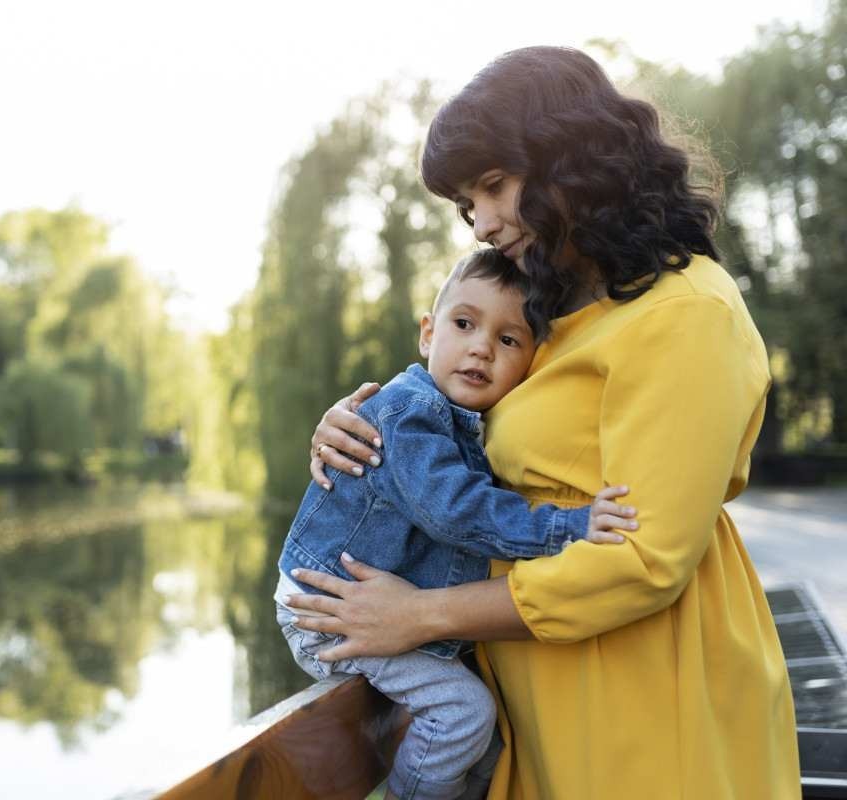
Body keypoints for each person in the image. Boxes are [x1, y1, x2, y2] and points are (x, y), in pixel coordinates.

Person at [283, 46, 801, 799]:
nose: (483, 224)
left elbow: (643, 559)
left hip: (648, 690)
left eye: (494, 186)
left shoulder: (687, 312)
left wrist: (424, 616)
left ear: (573, 157)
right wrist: (364, 427)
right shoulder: (547, 313)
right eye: (468, 206)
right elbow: (461, 426)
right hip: (542, 694)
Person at [276, 249, 637, 800]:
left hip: (370, 607)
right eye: (464, 324)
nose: (481, 347)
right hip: (329, 608)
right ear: (428, 333)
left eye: (508, 340)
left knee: (489, 751)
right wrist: (570, 527)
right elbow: (457, 511)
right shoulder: (408, 414)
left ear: (531, 363)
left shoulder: (468, 426)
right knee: (463, 714)